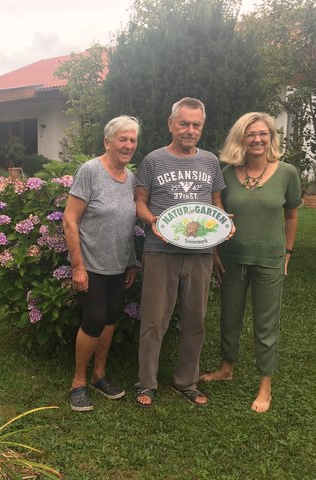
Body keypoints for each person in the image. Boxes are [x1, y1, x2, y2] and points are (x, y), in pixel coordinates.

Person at [201, 112, 301, 413]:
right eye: (250, 134)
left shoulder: (287, 173)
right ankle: (226, 367)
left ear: (271, 137)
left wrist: (287, 253)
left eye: (263, 134)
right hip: (232, 257)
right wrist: (215, 252)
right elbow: (217, 215)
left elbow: (292, 215)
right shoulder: (227, 173)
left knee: (266, 323)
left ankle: (265, 384)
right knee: (229, 316)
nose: (257, 139)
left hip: (269, 259)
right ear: (241, 138)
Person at [134, 97, 227, 408]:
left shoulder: (211, 162)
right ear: (170, 124)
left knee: (195, 319)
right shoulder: (153, 160)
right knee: (153, 319)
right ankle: (146, 383)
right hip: (160, 250)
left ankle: (186, 381)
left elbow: (216, 204)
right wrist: (153, 222)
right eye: (184, 123)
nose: (190, 130)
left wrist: (222, 227)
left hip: (200, 253)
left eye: (196, 125)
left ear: (202, 127)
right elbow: (140, 201)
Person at [64, 115, 140, 412]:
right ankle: (78, 382)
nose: (128, 145)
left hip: (119, 266)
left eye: (132, 140)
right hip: (92, 264)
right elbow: (70, 221)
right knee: (94, 320)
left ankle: (99, 375)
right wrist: (78, 267)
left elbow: (126, 223)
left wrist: (132, 262)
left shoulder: (131, 178)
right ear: (107, 141)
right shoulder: (90, 171)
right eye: (122, 139)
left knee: (110, 318)